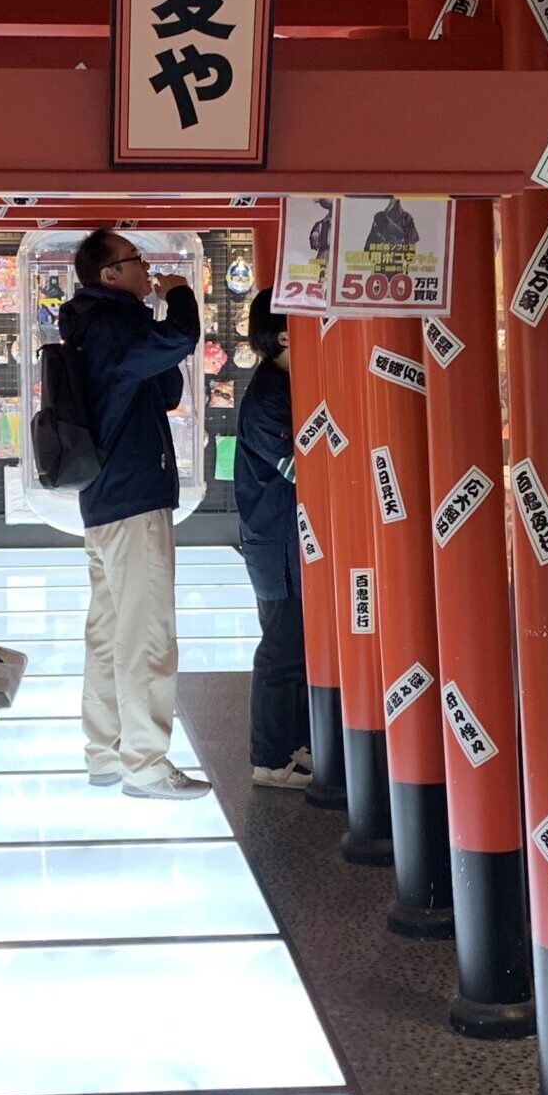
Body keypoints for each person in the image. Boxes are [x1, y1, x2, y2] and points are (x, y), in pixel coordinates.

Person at [58, 230, 209, 799]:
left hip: (105, 502)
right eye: (135, 260)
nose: (147, 267)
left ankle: (104, 752)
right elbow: (183, 336)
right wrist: (179, 294)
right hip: (135, 498)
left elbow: (163, 388)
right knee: (146, 634)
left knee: (107, 633)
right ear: (109, 275)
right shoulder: (115, 325)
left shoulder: (97, 326)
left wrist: (158, 323)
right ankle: (145, 764)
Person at [234, 292, 313, 789]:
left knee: (296, 647)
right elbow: (298, 465)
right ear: (285, 335)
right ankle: (268, 758)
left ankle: (294, 743)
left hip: (282, 539)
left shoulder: (283, 384)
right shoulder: (269, 396)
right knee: (281, 648)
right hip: (278, 542)